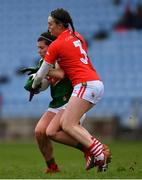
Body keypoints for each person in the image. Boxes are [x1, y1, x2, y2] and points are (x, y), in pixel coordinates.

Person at [32, 8, 111, 172]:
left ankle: (100, 152)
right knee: (52, 131)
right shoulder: (77, 36)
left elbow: (40, 76)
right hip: (91, 82)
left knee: (68, 124)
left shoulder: (57, 45)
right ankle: (99, 158)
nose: (49, 28)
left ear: (60, 24)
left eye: (51, 24)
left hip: (85, 84)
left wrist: (34, 85)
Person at [25, 31, 86, 173]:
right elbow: (46, 82)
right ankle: (52, 167)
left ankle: (89, 147)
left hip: (72, 101)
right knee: (39, 132)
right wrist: (35, 87)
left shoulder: (62, 57)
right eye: (38, 48)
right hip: (56, 103)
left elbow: (60, 74)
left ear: (51, 46)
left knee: (52, 132)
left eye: (41, 48)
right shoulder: (43, 63)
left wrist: (41, 73)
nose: (38, 51)